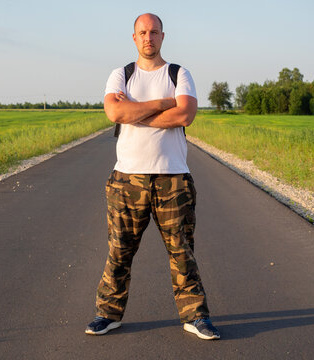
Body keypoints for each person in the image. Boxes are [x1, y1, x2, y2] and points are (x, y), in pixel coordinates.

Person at [85, 13, 220, 340]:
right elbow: (115, 113)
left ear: (163, 36)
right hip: (127, 180)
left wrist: (136, 111)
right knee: (119, 251)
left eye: (154, 32)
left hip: (173, 179)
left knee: (182, 252)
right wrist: (162, 104)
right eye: (142, 32)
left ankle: (195, 316)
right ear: (134, 38)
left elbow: (185, 114)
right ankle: (108, 314)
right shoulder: (121, 75)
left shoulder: (178, 74)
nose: (148, 37)